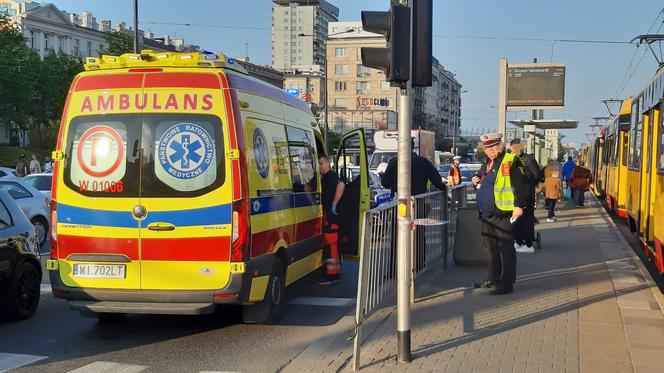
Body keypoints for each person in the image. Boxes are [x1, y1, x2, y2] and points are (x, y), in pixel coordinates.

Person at [472, 133, 530, 295]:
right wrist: (476, 180)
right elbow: (482, 177)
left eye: (492, 147)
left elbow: (521, 185)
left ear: (500, 146)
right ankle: (493, 277)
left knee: (506, 248)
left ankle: (507, 283)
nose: (490, 150)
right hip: (487, 214)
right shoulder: (488, 163)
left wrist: (519, 206)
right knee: (490, 248)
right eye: (487, 148)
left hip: (503, 213)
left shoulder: (510, 161)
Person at [381, 138, 446, 273]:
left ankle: (394, 269)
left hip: (400, 205)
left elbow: (385, 183)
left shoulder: (394, 162)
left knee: (397, 237)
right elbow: (437, 181)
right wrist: (444, 188)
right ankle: (418, 265)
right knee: (418, 234)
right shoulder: (423, 162)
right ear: (413, 147)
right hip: (419, 204)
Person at [508, 138, 542, 254]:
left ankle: (528, 244)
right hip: (514, 194)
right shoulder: (510, 159)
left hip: (527, 194)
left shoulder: (529, 159)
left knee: (527, 219)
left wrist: (530, 185)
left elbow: (538, 175)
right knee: (516, 219)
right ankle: (518, 242)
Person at [318, 155, 345, 285]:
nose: (320, 166)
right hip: (328, 215)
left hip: (332, 216)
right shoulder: (324, 178)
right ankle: (333, 272)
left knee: (331, 244)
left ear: (328, 163)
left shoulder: (331, 176)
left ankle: (332, 275)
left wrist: (334, 204)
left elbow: (341, 185)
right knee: (330, 245)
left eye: (321, 163)